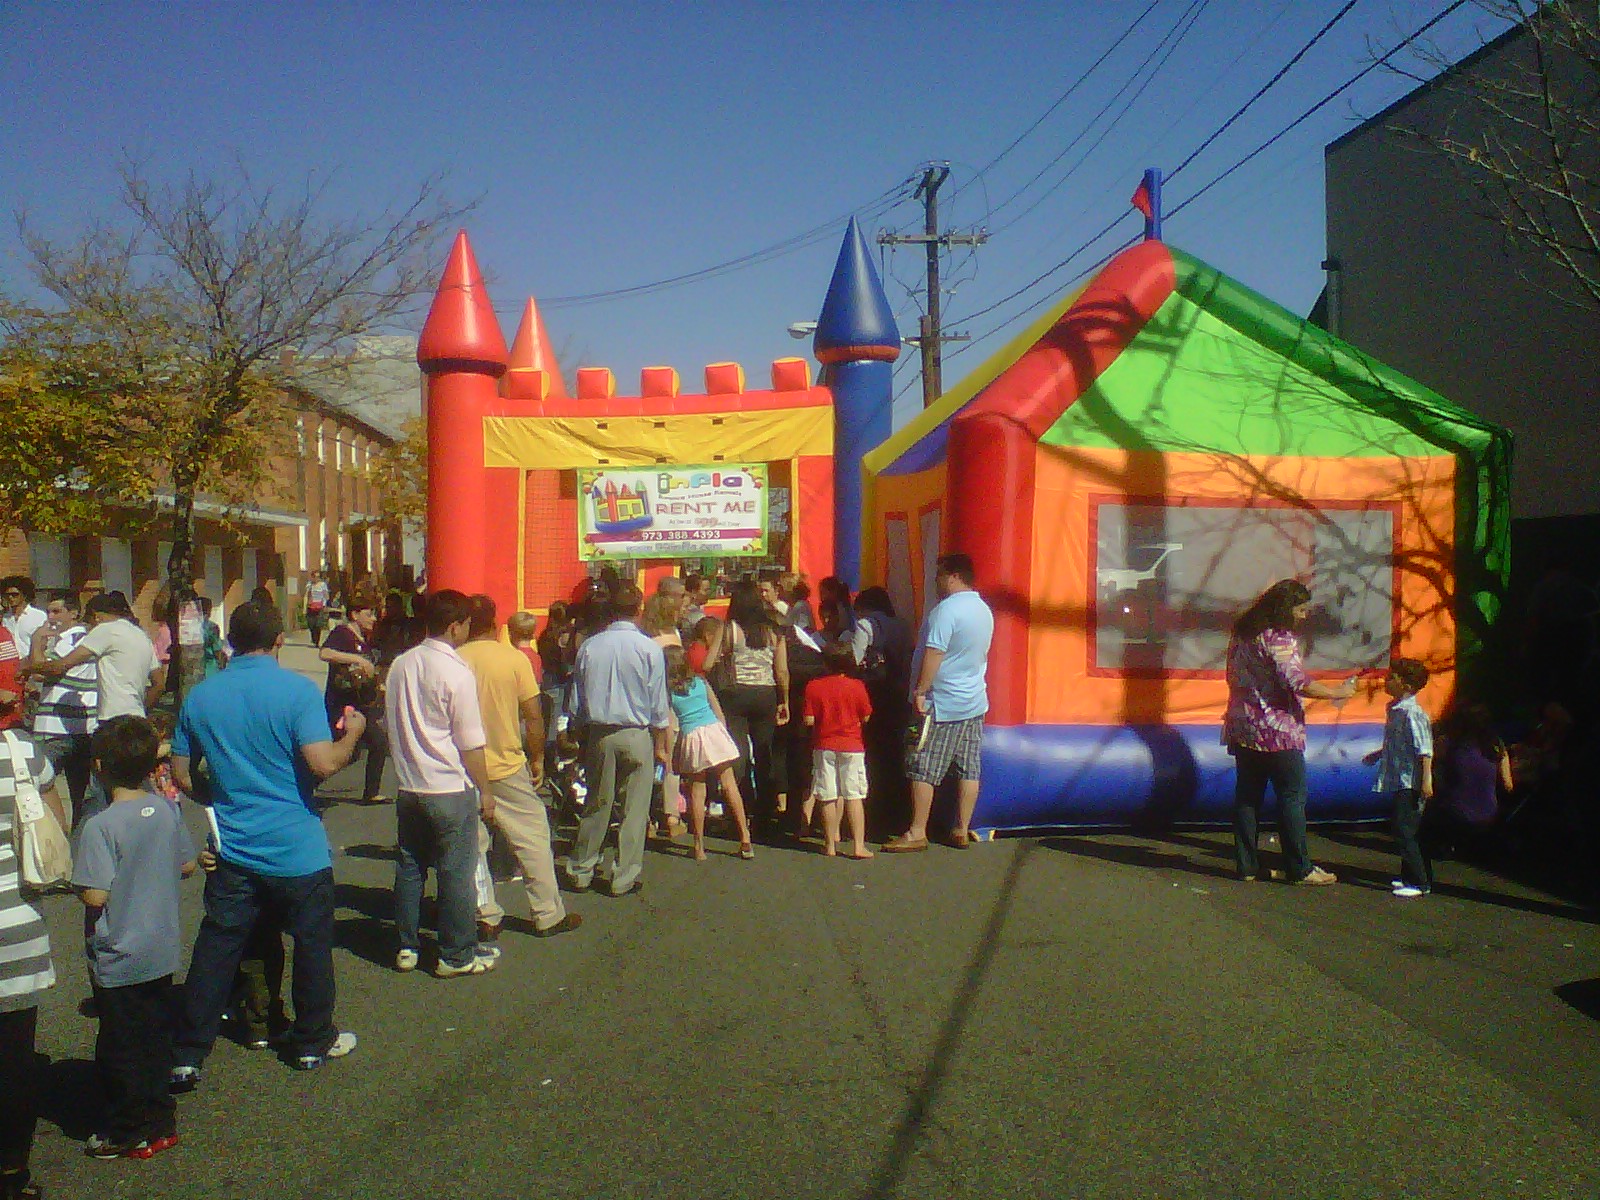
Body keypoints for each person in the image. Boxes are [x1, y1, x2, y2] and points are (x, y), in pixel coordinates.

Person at [168, 603, 366, 1088]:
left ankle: (189, 1052)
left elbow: (179, 773)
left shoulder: (201, 696)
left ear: (229, 641)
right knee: (312, 945)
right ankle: (311, 1043)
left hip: (235, 847)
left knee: (217, 947)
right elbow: (322, 765)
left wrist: (217, 799)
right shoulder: (297, 691)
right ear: (279, 640)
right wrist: (354, 736)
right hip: (296, 848)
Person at [72, 715, 196, 1160]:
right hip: (161, 947)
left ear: (99, 765)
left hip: (119, 951)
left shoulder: (100, 826)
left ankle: (126, 1129)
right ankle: (161, 1121)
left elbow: (94, 893)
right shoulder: (165, 808)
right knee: (156, 1038)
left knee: (120, 1047)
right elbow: (186, 864)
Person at [385, 590, 500, 977]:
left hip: (408, 783)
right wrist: (486, 789)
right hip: (448, 785)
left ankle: (406, 945)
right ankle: (456, 953)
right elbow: (470, 741)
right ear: (455, 626)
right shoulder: (456, 672)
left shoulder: (400, 665)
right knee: (455, 871)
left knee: (410, 866)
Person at [458, 596, 581, 939]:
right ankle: (547, 912)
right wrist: (538, 757)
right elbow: (533, 715)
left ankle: (484, 914)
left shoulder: (454, 661)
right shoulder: (513, 659)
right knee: (532, 837)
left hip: (464, 765)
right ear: (496, 622)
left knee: (472, 844)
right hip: (506, 761)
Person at [1222, 579, 1357, 886]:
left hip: (1244, 726)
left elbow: (1232, 676)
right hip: (1278, 731)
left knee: (1247, 798)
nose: (1304, 616)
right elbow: (1296, 680)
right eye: (1301, 609)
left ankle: (1246, 866)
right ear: (1285, 608)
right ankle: (1300, 868)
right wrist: (1336, 692)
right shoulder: (1279, 637)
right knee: (1292, 798)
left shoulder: (1242, 634)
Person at [884, 554, 996, 853]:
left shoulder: (945, 611)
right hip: (974, 698)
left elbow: (934, 652)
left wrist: (921, 690)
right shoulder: (983, 610)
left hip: (943, 701)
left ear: (953, 576)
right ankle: (961, 828)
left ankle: (917, 830)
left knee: (923, 765)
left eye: (939, 574)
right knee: (968, 767)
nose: (936, 580)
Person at [23, 592, 163, 828]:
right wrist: (140, 706)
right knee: (136, 787)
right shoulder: (140, 636)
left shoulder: (105, 631)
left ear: (97, 617)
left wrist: (32, 659)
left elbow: (60, 667)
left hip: (112, 724)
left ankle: (86, 849)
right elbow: (159, 682)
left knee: (100, 797)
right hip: (137, 720)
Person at [566, 584, 670, 897]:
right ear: (639, 608)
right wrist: (663, 742)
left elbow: (576, 701)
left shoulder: (590, 646)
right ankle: (624, 875)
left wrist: (575, 731)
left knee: (597, 803)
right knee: (634, 808)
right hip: (637, 732)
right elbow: (658, 703)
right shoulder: (649, 648)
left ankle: (582, 868)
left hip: (599, 732)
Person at [0, 727, 57, 1197]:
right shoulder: (22, 751)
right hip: (14, 927)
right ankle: (12, 1172)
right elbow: (53, 819)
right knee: (14, 1059)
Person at [705, 580, 790, 827]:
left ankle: (740, 807)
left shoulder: (728, 628)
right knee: (765, 751)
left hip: (735, 693)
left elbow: (708, 663)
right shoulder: (774, 630)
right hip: (766, 693)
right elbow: (782, 671)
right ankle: (766, 809)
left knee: (738, 750)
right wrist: (784, 700)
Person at [665, 645, 752, 861]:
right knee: (730, 785)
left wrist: (670, 754)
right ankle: (745, 839)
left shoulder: (668, 693)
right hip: (713, 731)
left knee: (697, 791)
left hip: (691, 735)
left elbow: (667, 727)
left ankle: (699, 846)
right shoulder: (701, 682)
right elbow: (718, 711)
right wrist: (724, 734)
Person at [1364, 658, 1435, 898]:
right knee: (1404, 827)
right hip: (1399, 776)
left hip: (1411, 781)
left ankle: (1420, 882)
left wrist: (1426, 780)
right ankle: (1408, 876)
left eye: (1392, 678)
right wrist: (1379, 754)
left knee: (1405, 830)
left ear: (1405, 684)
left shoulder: (1412, 713)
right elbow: (1398, 742)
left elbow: (1424, 748)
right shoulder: (1394, 709)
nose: (1386, 681)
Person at [29, 592, 96, 825]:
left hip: (57, 729)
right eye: (48, 611)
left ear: (74, 613)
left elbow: (41, 670)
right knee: (82, 798)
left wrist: (36, 642)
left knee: (35, 785)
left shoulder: (73, 637)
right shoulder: (79, 639)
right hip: (80, 727)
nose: (51, 617)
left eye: (56, 611)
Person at [804, 642, 874, 859]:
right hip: (852, 745)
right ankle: (858, 846)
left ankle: (829, 845)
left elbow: (808, 720)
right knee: (854, 795)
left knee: (828, 795)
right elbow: (866, 716)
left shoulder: (813, 686)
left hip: (824, 745)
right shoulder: (857, 686)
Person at [319, 588, 388, 804]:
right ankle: (308, 780)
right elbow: (325, 653)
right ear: (354, 615)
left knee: (377, 743)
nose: (373, 619)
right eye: (369, 614)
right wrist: (357, 660)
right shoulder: (342, 633)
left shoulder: (365, 639)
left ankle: (371, 792)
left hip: (361, 704)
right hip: (343, 704)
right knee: (347, 750)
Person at [1429, 703, 1514, 858]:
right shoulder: (1497, 746)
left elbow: (1428, 762)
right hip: (1489, 815)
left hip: (1455, 812)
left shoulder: (1448, 743)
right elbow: (1508, 785)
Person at [640, 593, 686, 838]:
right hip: (669, 700)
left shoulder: (644, 637)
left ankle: (646, 817)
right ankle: (672, 814)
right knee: (670, 759)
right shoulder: (674, 635)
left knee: (646, 761)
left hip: (646, 700)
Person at [0, 580, 45, 654]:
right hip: (11, 661)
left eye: (15, 594)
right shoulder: (5, 618)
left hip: (31, 661)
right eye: (7, 595)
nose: (10, 597)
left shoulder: (39, 616)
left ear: (24, 595)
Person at [677, 572, 713, 642]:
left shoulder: (697, 610)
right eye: (705, 590)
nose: (709, 593)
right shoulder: (695, 615)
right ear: (694, 592)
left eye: (709, 589)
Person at [304, 570, 331, 648]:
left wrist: (324, 604)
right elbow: (306, 595)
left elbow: (326, 596)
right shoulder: (309, 585)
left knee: (318, 624)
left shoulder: (323, 585)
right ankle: (313, 637)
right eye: (315, 577)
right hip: (311, 606)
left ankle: (317, 641)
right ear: (312, 577)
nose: (317, 578)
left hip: (319, 606)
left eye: (318, 577)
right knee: (311, 624)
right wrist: (304, 607)